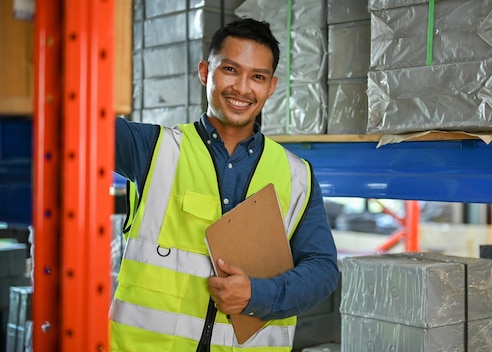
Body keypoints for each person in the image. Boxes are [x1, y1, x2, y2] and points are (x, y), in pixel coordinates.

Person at [111, 18, 339, 351]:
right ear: (205, 71)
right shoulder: (151, 149)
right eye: (230, 70)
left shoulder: (296, 175)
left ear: (272, 86)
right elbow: (76, 119)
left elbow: (322, 271)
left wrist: (258, 295)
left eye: (257, 77)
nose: (243, 88)